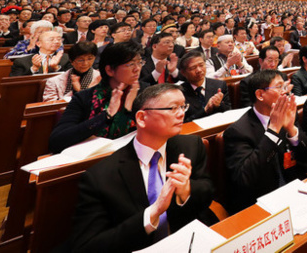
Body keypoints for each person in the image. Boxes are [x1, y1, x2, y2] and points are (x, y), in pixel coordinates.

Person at [67, 84, 216, 252]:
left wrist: (186, 190)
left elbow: (207, 189)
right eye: (173, 108)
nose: (182, 113)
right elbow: (88, 246)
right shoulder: (101, 176)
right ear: (142, 118)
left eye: (183, 106)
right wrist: (152, 213)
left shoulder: (191, 145)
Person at [223, 69, 307, 213]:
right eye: (279, 87)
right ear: (260, 95)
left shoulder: (286, 115)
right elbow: (245, 178)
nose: (285, 92)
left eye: (285, 87)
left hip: (294, 190)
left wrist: (291, 129)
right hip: (261, 201)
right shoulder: (238, 131)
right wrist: (273, 131)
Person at [48, 41, 142, 153]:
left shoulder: (144, 94)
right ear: (109, 70)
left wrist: (129, 111)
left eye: (140, 62)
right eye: (130, 64)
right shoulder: (85, 97)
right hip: (94, 159)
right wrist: (107, 115)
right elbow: (57, 141)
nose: (137, 69)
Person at [176, 50, 230, 122]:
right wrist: (205, 111)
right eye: (193, 68)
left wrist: (218, 105)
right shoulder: (179, 93)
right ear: (183, 72)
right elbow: (183, 121)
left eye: (201, 65)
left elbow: (228, 112)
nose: (199, 70)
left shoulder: (219, 85)